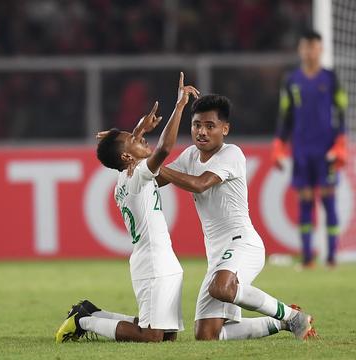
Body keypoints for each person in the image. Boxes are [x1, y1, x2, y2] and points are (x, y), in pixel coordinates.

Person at [157, 94, 317, 341]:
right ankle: (283, 322)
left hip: (242, 243)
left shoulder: (232, 154)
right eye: (197, 125)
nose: (202, 131)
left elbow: (200, 184)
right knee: (207, 335)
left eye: (210, 126)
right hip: (217, 255)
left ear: (225, 129)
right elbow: (156, 179)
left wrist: (153, 165)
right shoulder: (190, 155)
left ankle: (291, 318)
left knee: (221, 288)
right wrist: (136, 159)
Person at [55, 73, 199, 343]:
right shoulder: (138, 175)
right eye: (135, 140)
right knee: (152, 335)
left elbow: (132, 147)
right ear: (126, 156)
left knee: (166, 336)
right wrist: (180, 105)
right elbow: (165, 148)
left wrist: (139, 131)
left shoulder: (127, 175)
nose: (142, 139)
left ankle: (91, 313)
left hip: (160, 259)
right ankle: (83, 321)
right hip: (153, 261)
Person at [272, 30, 348, 268]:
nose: (310, 51)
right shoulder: (291, 80)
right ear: (300, 49)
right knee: (305, 199)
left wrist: (341, 143)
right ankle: (307, 258)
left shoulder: (331, 78)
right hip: (302, 150)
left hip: (326, 150)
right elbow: (285, 115)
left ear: (320, 49)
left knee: (328, 199)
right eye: (306, 46)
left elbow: (342, 112)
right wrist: (279, 144)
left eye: (314, 46)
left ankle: (332, 257)